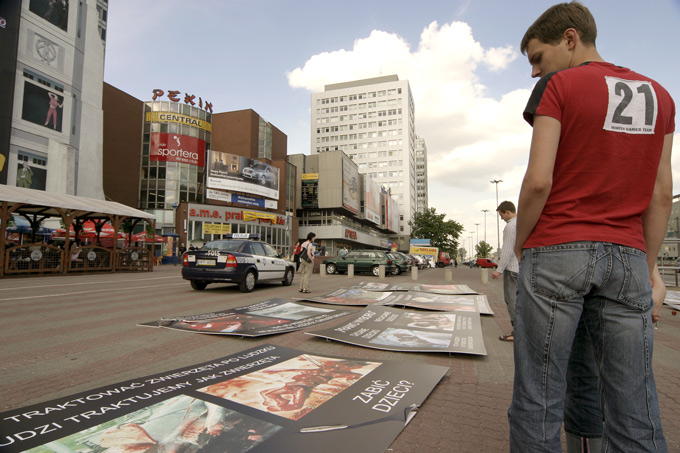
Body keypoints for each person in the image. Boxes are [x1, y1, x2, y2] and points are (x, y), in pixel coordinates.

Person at [508, 3, 674, 452]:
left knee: (538, 395)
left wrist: (522, 244)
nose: (535, 72)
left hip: (557, 248)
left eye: (537, 58)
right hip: (627, 257)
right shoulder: (659, 94)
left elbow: (539, 180)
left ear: (569, 38)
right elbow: (661, 193)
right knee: (633, 402)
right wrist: (650, 265)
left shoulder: (558, 86)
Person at [491, 201, 519, 342]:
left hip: (512, 269)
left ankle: (517, 332)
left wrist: (499, 270)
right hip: (521, 268)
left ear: (507, 212)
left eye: (501, 215)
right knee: (521, 301)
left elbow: (508, 250)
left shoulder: (511, 226)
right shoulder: (522, 223)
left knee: (511, 300)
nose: (501, 218)